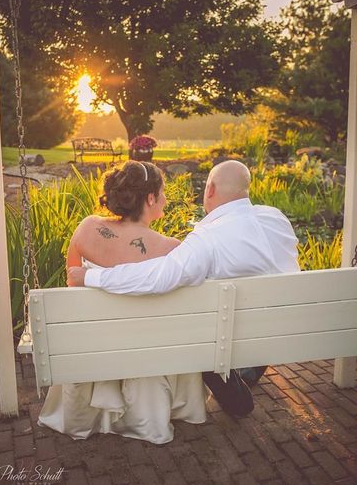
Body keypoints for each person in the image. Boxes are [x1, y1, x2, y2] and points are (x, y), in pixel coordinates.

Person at [68, 160, 300, 417]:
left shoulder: (206, 239)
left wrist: (90, 278)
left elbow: (159, 278)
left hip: (100, 340)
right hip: (280, 326)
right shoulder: (276, 217)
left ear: (209, 189)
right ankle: (247, 369)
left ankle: (236, 391)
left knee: (207, 328)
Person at [38, 161, 207, 444]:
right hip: (145, 344)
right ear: (150, 198)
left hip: (93, 341)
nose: (165, 198)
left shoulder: (88, 227)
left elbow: (72, 284)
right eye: (162, 192)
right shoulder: (170, 248)